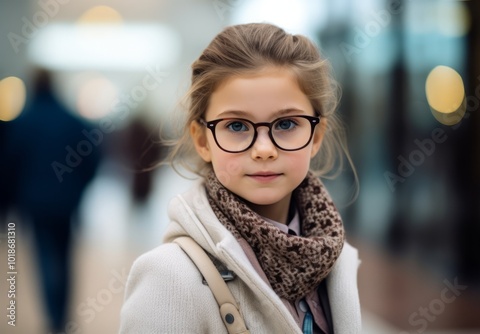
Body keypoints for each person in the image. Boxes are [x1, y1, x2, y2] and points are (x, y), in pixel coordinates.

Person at [120, 23, 362, 333]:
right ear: (203, 140)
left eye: (287, 124)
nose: (264, 149)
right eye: (236, 126)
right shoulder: (169, 278)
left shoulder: (335, 261)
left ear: (316, 136)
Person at [5, 69, 101, 333]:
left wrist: (9, 202)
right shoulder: (72, 121)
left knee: (44, 256)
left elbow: (9, 166)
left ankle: (53, 317)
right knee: (65, 257)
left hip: (34, 204)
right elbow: (93, 158)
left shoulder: (22, 123)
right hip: (66, 204)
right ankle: (63, 317)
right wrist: (79, 189)